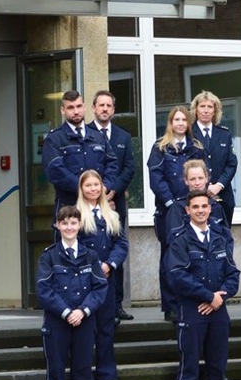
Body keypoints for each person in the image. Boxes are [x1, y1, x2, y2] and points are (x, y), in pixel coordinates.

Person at [167, 190, 241, 380]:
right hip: (192, 311)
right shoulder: (180, 240)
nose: (201, 210)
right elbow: (178, 276)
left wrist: (219, 297)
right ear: (187, 210)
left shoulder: (220, 237)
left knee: (218, 367)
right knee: (189, 368)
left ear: (210, 209)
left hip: (218, 310)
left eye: (204, 206)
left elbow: (233, 273)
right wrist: (207, 296)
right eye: (196, 207)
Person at [37, 206, 110, 380]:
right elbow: (44, 290)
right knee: (57, 375)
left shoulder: (90, 255)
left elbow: (100, 287)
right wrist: (68, 311)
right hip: (58, 323)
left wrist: (83, 310)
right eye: (64, 223)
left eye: (73, 223)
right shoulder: (49, 256)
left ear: (79, 226)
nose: (69, 227)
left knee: (82, 376)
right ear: (57, 226)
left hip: (85, 322)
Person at [147, 106, 206, 319]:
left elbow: (201, 176)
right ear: (170, 123)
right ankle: (170, 306)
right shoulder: (160, 148)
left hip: (194, 209)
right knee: (169, 257)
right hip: (169, 210)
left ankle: (191, 301)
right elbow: (156, 177)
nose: (180, 123)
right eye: (176, 120)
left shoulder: (196, 147)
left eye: (184, 120)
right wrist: (170, 202)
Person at [76, 169, 128, 380]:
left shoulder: (111, 215)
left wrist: (110, 265)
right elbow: (72, 246)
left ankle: (106, 375)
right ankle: (86, 377)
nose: (93, 189)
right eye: (88, 186)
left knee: (106, 329)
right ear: (82, 189)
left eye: (96, 185)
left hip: (107, 280)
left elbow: (121, 244)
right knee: (87, 331)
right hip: (84, 282)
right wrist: (94, 269)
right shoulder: (74, 215)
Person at [91, 89, 136, 322]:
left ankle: (116, 304)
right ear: (94, 108)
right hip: (88, 202)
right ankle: (94, 302)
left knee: (116, 251)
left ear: (113, 110)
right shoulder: (85, 133)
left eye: (109, 106)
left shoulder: (123, 136)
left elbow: (129, 167)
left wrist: (112, 190)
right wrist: (98, 193)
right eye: (101, 105)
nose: (105, 109)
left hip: (115, 202)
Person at [42, 89, 119, 216]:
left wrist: (104, 187)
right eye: (70, 108)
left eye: (79, 106)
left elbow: (112, 164)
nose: (76, 111)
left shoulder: (98, 136)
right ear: (63, 111)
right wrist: (85, 189)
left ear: (84, 107)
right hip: (69, 211)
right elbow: (55, 171)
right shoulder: (54, 139)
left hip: (98, 208)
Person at [189, 90, 238, 226]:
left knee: (224, 239)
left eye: (210, 107)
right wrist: (203, 185)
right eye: (202, 106)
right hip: (196, 195)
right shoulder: (189, 134)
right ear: (196, 110)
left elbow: (231, 163)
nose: (206, 110)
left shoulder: (224, 134)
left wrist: (219, 185)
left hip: (223, 195)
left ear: (215, 111)